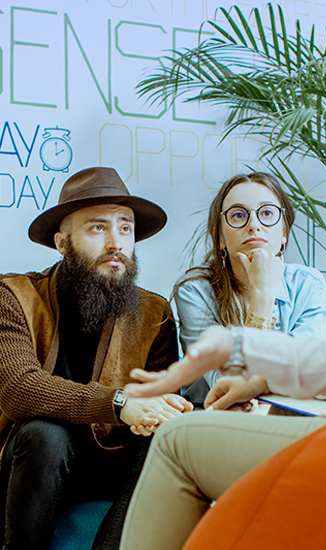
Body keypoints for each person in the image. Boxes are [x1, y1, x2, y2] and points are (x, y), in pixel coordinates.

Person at [120, 12, 326, 550]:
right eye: (238, 216)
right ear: (219, 235)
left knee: (177, 441)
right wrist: (260, 376)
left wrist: (242, 345)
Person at [0, 167, 192, 550]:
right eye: (97, 228)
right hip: (31, 465)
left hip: (110, 465)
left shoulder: (153, 313)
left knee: (161, 438)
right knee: (47, 433)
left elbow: (161, 402)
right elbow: (18, 389)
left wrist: (161, 411)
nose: (116, 242)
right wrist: (119, 404)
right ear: (62, 242)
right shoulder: (14, 296)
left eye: (125, 228)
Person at [174, 171, 326, 410]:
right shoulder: (195, 293)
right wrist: (262, 295)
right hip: (216, 419)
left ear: (284, 233)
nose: (254, 225)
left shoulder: (308, 285)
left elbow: (302, 375)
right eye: (238, 215)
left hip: (286, 414)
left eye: (267, 213)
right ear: (220, 238)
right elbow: (228, 388)